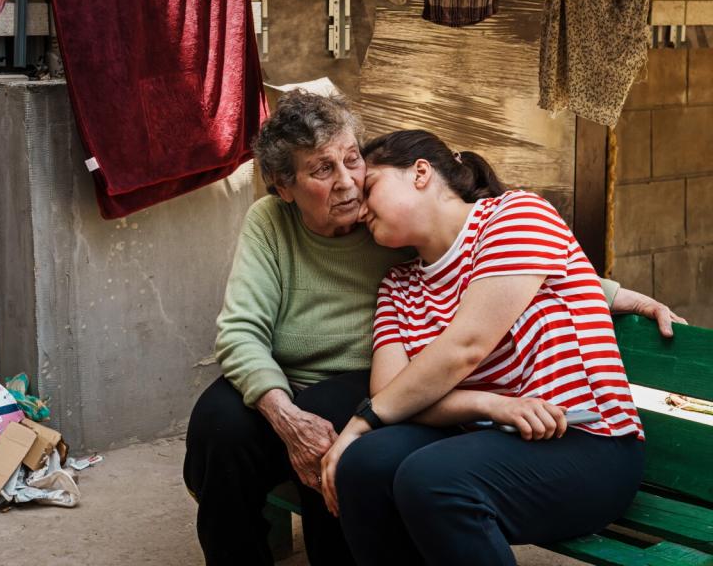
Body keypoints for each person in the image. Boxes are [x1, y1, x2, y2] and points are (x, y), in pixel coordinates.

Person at [183, 91, 683, 566]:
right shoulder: (394, 273)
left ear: (420, 174)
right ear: (283, 186)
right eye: (321, 170)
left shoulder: (492, 220)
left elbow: (512, 280)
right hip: (446, 414)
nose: (351, 186)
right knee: (227, 429)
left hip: (576, 432)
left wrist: (623, 296)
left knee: (402, 466)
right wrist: (484, 404)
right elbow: (251, 335)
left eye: (356, 165)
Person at [320, 129, 680, 566]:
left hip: (590, 444)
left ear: (420, 173)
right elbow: (393, 396)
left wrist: (359, 423)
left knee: (430, 479)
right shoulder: (399, 287)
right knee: (365, 466)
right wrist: (489, 405)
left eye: (369, 188)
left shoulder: (515, 216)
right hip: (490, 441)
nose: (358, 211)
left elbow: (465, 346)